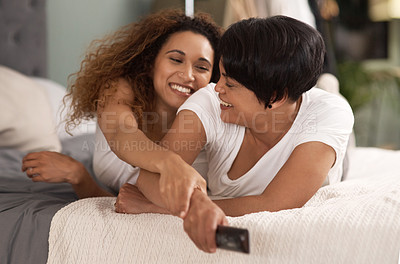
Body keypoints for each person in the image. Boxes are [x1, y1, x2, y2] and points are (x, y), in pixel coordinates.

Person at [115, 15, 354, 253]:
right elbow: (149, 176)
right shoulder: (209, 101)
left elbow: (274, 204)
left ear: (275, 96)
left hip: (328, 153)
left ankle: (326, 86)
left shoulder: (328, 114)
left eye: (230, 84)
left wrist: (160, 208)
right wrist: (196, 203)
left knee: (334, 109)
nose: (217, 87)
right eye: (220, 76)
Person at [21, 9, 222, 200]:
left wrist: (81, 179)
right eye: (176, 59)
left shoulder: (214, 118)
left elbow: (136, 206)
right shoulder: (121, 88)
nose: (188, 75)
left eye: (201, 67)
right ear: (151, 63)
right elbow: (121, 131)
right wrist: (170, 163)